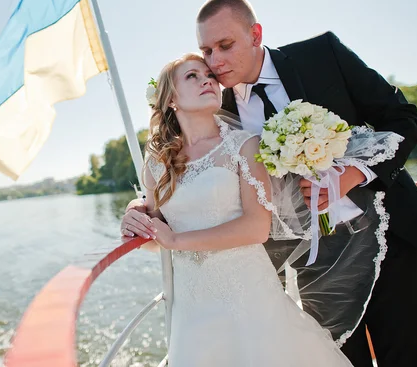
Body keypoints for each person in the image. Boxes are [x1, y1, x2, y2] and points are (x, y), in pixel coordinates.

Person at [122, 0, 417, 367]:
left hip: (387, 237)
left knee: (410, 357)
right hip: (315, 260)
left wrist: (352, 174)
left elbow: (403, 118)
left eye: (225, 45)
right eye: (206, 51)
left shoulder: (321, 56)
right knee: (341, 359)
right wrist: (139, 207)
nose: (215, 62)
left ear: (255, 34)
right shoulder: (218, 112)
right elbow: (188, 181)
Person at [135, 52, 353, 366]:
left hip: (248, 294)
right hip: (192, 306)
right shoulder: (157, 161)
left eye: (208, 75)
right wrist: (134, 213)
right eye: (192, 76)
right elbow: (156, 226)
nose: (207, 80)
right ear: (171, 99)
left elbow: (256, 227)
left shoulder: (244, 145)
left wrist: (177, 242)